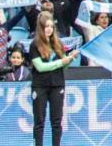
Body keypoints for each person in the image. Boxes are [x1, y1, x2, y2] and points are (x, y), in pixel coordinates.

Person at [30, 11, 78, 146]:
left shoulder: (58, 44)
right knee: (39, 121)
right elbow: (40, 67)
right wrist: (62, 62)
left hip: (57, 85)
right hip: (40, 86)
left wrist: (71, 58)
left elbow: (64, 66)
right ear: (41, 28)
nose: (49, 29)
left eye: (51, 26)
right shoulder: (34, 45)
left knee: (56, 121)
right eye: (46, 26)